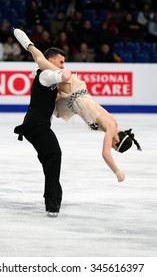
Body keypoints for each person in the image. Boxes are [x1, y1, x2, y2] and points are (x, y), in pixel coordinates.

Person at [13, 28, 142, 187]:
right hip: (74, 92)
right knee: (42, 61)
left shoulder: (112, 123)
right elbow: (105, 153)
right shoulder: (110, 126)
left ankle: (41, 73)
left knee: (52, 102)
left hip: (73, 104)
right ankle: (29, 45)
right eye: (114, 146)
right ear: (116, 140)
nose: (110, 145)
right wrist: (117, 171)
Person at [13, 30, 72, 218]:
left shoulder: (45, 73)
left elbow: (53, 107)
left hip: (37, 125)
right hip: (36, 125)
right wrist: (66, 74)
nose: (63, 65)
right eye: (61, 62)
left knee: (49, 158)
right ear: (52, 61)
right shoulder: (46, 74)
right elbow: (62, 77)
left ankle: (56, 195)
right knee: (54, 154)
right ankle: (51, 201)